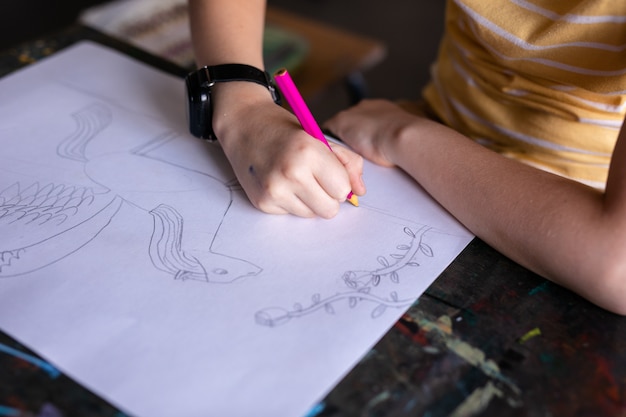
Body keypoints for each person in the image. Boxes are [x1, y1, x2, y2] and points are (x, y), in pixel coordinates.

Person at [188, 0, 626, 315]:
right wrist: (241, 104)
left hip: (569, 225)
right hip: (423, 145)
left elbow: (617, 265)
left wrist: (406, 135)